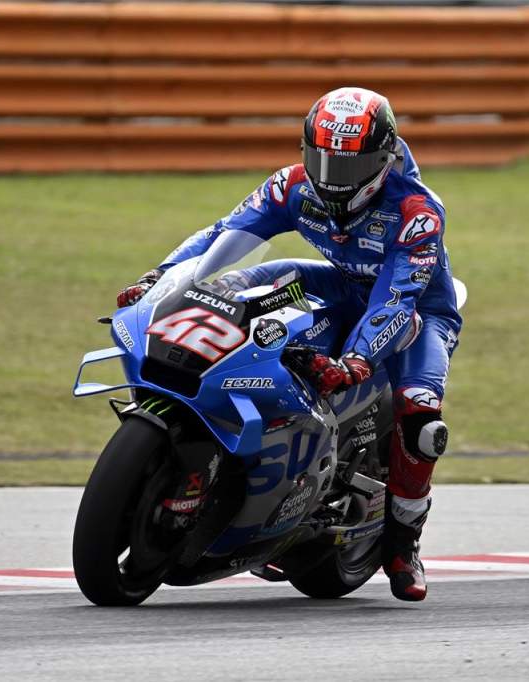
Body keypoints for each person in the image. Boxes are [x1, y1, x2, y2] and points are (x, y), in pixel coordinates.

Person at [117, 87, 461, 602]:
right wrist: (162, 279)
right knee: (241, 287)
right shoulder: (292, 185)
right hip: (340, 283)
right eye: (320, 160)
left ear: (384, 159)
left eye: (347, 167)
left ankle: (403, 542)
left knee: (420, 417)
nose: (331, 179)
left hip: (418, 312)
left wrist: (358, 360)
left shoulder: (416, 211)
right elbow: (226, 234)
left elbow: (396, 300)